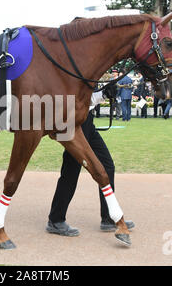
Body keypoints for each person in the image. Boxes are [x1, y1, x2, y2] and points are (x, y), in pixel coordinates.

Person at [46, 90, 135, 236]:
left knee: (107, 167)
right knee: (71, 171)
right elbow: (79, 100)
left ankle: (108, 218)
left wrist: (105, 93)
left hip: (86, 123)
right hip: (74, 123)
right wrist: (103, 94)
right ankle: (55, 220)